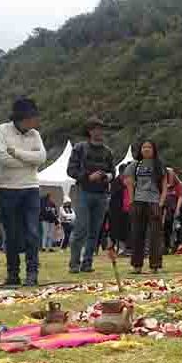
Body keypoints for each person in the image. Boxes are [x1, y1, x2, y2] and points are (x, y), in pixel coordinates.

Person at [0, 97, 46, 287]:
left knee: (33, 232)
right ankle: (13, 274)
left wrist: (17, 153)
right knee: (11, 234)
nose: (36, 121)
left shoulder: (35, 134)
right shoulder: (1, 130)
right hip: (8, 188)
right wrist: (29, 161)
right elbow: (1, 157)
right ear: (22, 118)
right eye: (33, 117)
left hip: (30, 188)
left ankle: (32, 273)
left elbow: (41, 158)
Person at [66, 117, 114, 273]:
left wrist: (107, 176)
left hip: (101, 194)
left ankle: (87, 263)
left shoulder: (108, 152)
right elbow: (71, 170)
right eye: (95, 128)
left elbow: (113, 172)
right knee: (81, 228)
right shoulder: (80, 148)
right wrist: (88, 177)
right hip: (83, 192)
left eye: (101, 128)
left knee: (95, 231)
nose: (99, 131)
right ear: (89, 131)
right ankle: (74, 263)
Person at [123, 140, 168, 274]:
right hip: (138, 201)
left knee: (155, 235)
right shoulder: (135, 165)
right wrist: (132, 200)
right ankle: (137, 265)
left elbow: (164, 185)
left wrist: (161, 202)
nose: (146, 149)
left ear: (154, 150)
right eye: (144, 147)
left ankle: (155, 265)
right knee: (137, 234)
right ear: (140, 150)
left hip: (154, 202)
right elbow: (129, 182)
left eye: (149, 147)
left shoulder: (159, 165)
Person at [163, 167, 182, 254]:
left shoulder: (179, 185)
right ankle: (166, 246)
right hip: (167, 210)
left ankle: (176, 245)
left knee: (177, 228)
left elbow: (180, 197)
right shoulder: (165, 185)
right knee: (167, 227)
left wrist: (177, 210)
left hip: (177, 208)